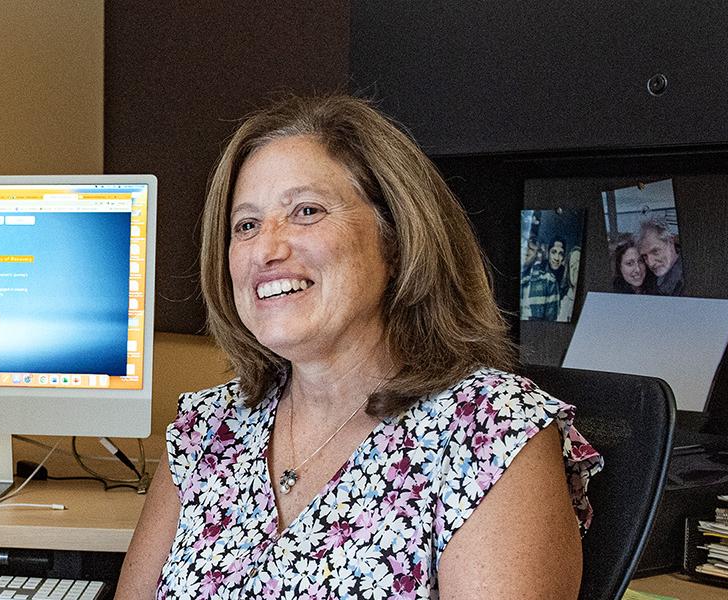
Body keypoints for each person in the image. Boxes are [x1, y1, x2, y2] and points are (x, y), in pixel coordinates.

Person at [116, 96, 601, 598]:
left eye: (306, 211)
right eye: (247, 225)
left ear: (395, 236)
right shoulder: (208, 430)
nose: (266, 248)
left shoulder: (491, 432)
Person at [520, 239, 566, 320]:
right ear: (548, 253)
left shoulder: (550, 280)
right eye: (554, 252)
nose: (556, 258)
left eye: (561, 254)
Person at [638, 218, 684, 295]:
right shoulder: (649, 279)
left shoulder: (687, 279)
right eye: (645, 256)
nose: (651, 263)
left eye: (655, 251)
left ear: (670, 242)